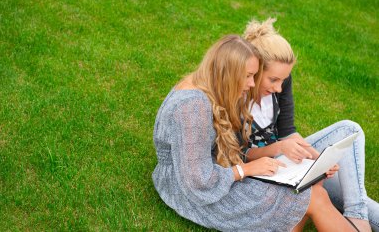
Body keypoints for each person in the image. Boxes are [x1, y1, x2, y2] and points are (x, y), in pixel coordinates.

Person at [152, 34, 358, 231]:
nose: (252, 83)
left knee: (307, 191)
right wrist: (246, 170)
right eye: (249, 76)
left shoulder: (209, 86)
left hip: (216, 173)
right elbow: (197, 182)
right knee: (313, 197)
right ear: (229, 73)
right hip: (194, 192)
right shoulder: (192, 107)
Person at [242, 18, 379, 232]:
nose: (279, 87)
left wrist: (317, 159)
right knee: (332, 193)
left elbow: (288, 133)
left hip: (287, 163)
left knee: (350, 138)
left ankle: (357, 216)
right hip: (262, 171)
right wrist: (279, 148)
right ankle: (359, 221)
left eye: (283, 81)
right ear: (256, 70)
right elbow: (240, 155)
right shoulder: (236, 93)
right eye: (273, 80)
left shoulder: (281, 82)